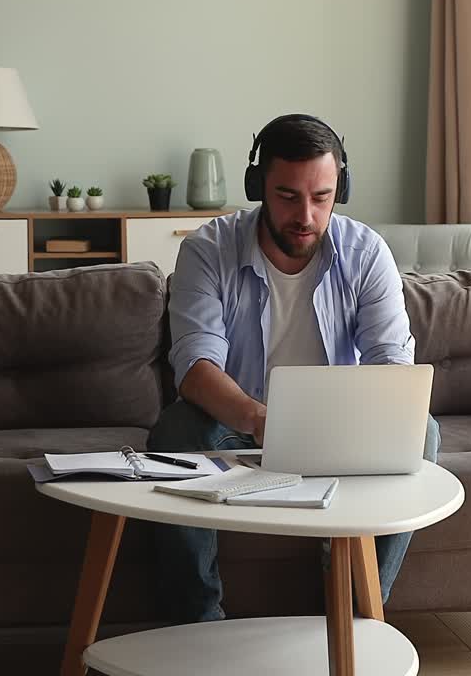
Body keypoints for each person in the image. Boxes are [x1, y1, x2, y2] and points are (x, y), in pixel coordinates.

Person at [147, 113, 441, 623]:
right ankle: (198, 627)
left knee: (423, 433)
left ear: (339, 189)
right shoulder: (207, 249)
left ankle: (349, 618)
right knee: (173, 430)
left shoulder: (366, 253)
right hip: (236, 424)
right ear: (258, 185)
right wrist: (262, 420)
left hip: (342, 428)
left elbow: (393, 365)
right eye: (287, 196)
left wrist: (358, 423)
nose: (305, 214)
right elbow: (195, 366)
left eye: (322, 197)